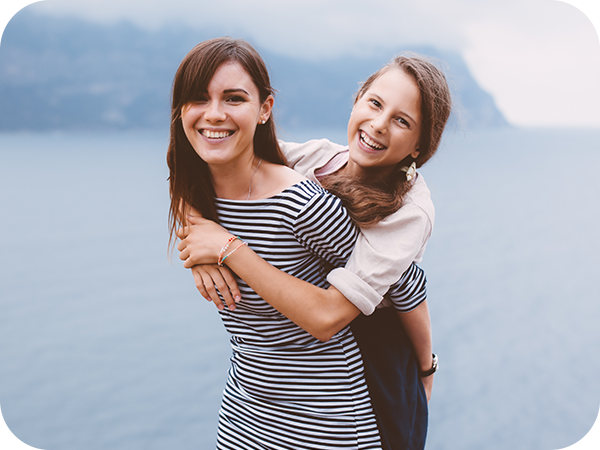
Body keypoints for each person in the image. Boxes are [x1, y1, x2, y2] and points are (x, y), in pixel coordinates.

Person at [177, 47, 452, 450]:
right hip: (257, 401)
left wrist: (425, 368)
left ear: (418, 146)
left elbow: (403, 291)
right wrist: (195, 238)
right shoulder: (314, 160)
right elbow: (211, 156)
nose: (377, 125)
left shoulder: (411, 211)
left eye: (401, 121)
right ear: (357, 100)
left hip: (367, 348)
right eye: (374, 103)